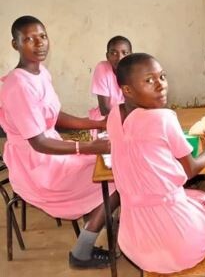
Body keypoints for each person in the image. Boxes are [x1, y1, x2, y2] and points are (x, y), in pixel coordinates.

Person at [0, 16, 119, 269]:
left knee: (106, 167)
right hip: (36, 167)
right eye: (29, 39)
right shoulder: (17, 86)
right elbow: (39, 143)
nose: (39, 43)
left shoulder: (40, 72)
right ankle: (81, 252)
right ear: (15, 44)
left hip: (52, 151)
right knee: (115, 179)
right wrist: (88, 147)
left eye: (42, 36)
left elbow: (54, 116)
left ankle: (99, 220)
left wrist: (98, 124)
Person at [106, 53, 205, 273]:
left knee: (192, 199)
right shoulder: (163, 118)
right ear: (127, 90)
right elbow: (191, 170)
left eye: (162, 77)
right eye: (149, 80)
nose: (161, 86)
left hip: (135, 242)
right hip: (178, 245)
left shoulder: (114, 115)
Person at [88, 35, 132, 123]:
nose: (120, 58)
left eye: (125, 53)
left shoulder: (135, 70)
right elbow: (104, 109)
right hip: (107, 119)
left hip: (130, 118)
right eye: (114, 53)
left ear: (131, 55)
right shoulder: (102, 68)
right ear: (107, 56)